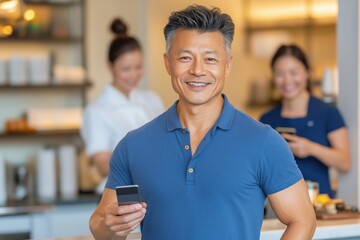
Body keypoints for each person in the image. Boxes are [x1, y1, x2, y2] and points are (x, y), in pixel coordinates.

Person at [89, 5, 316, 240]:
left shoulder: (263, 141)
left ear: (227, 64)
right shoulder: (133, 145)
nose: (197, 70)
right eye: (185, 58)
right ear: (168, 63)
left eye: (210, 59)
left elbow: (303, 219)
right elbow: (101, 226)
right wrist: (111, 226)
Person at [81, 18, 164, 194]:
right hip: (121, 195)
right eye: (126, 69)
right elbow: (103, 165)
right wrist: (149, 171)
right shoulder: (97, 110)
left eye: (138, 67)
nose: (134, 75)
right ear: (110, 66)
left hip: (156, 191)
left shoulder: (152, 100)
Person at [260, 44, 351, 198]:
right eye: (279, 73)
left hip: (320, 204)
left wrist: (310, 148)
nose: (287, 80)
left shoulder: (327, 112)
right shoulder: (267, 119)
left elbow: (345, 162)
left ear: (308, 73)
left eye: (294, 72)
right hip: (278, 206)